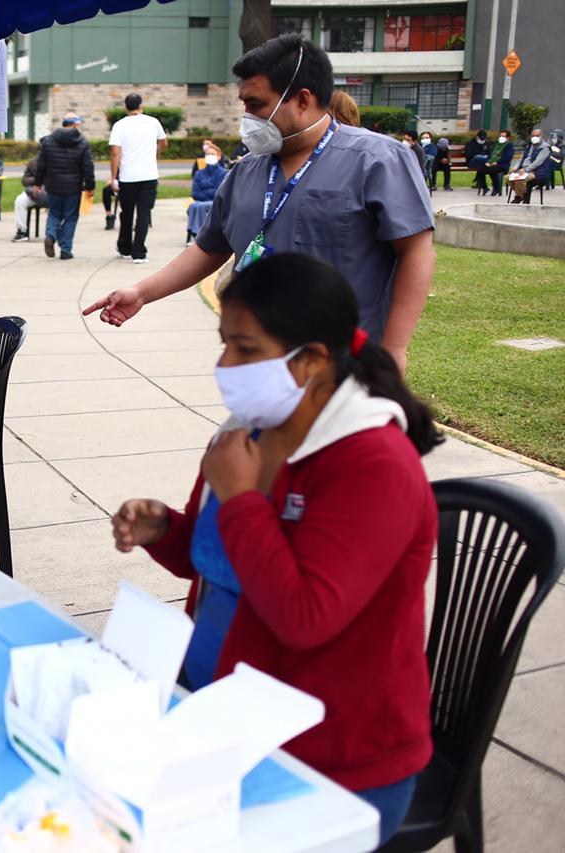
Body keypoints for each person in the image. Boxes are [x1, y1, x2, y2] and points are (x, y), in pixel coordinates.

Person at [111, 252, 438, 846]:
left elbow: (304, 616)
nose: (225, 365)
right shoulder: (250, 429)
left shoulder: (373, 463)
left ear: (311, 359)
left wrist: (239, 501)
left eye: (245, 349)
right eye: (224, 343)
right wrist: (169, 532)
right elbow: (218, 564)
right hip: (216, 719)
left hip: (330, 760)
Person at [85, 34, 435, 373]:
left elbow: (416, 251)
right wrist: (141, 293)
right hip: (259, 364)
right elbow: (209, 248)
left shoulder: (377, 160)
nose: (248, 118)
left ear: (302, 99)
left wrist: (393, 350)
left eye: (257, 105)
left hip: (344, 366)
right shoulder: (247, 170)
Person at [108, 93, 168, 265]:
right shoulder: (153, 122)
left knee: (126, 213)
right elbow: (164, 142)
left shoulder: (119, 125)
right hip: (149, 176)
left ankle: (124, 247)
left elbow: (115, 152)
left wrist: (113, 178)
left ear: (126, 107)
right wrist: (156, 153)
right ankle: (139, 252)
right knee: (144, 214)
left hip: (127, 177)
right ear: (141, 105)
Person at [34, 113, 95, 260]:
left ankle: (50, 235)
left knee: (54, 213)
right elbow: (88, 167)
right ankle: (66, 250)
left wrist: (38, 183)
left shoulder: (48, 141)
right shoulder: (82, 142)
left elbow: (41, 165)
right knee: (71, 217)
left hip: (53, 185)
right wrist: (90, 186)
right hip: (73, 187)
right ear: (75, 125)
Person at [187, 145, 227, 241]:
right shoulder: (199, 173)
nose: (210, 156)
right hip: (201, 201)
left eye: (212, 154)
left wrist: (204, 191)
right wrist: (211, 191)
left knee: (200, 206)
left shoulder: (224, 173)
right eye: (207, 154)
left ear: (219, 157)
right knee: (193, 205)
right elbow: (195, 193)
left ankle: (198, 234)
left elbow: (220, 192)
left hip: (216, 202)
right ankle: (197, 234)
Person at [507, 128, 551, 204]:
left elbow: (538, 162)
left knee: (519, 179)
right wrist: (515, 168)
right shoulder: (529, 146)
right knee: (508, 178)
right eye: (533, 136)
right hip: (523, 169)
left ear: (542, 136)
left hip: (536, 171)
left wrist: (526, 170)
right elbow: (522, 158)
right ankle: (522, 195)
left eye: (537, 136)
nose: (534, 137)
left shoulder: (545, 148)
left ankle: (519, 197)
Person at [12, 153, 48, 242]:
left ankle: (56, 234)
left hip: (53, 192)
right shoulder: (33, 162)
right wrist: (37, 180)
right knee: (20, 200)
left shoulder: (58, 159)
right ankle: (22, 232)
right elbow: (24, 180)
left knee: (62, 202)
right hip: (34, 192)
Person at [478, 129, 516, 197]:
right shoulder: (496, 145)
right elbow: (489, 155)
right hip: (491, 164)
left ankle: (496, 188)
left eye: (503, 136)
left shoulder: (509, 146)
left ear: (507, 138)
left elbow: (507, 157)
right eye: (500, 136)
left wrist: (497, 162)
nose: (501, 138)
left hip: (502, 165)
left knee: (493, 170)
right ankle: (485, 188)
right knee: (480, 170)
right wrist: (487, 162)